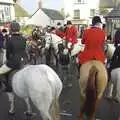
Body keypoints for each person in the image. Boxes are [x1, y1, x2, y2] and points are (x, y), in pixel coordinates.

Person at [0, 21, 27, 91]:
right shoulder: (24, 39)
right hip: (23, 61)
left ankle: (6, 86)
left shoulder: (9, 39)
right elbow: (23, 50)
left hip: (13, 62)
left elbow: (8, 54)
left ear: (11, 29)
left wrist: (8, 60)